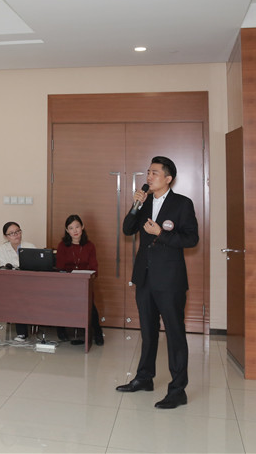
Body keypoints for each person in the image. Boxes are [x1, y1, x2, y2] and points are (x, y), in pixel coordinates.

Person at [116, 156, 199, 410]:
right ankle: (144, 378)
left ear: (168, 178)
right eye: (148, 172)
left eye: (154, 173)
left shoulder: (182, 204)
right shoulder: (144, 202)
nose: (149, 177)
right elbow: (127, 229)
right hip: (145, 277)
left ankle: (178, 390)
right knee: (147, 331)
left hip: (170, 279)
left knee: (174, 333)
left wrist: (160, 233)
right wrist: (135, 206)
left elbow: (191, 239)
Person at [55, 214, 104, 346]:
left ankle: (97, 332)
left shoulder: (90, 246)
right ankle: (61, 329)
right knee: (61, 301)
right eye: (71, 228)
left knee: (90, 306)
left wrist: (86, 277)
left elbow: (94, 268)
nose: (75, 231)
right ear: (67, 230)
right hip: (67, 283)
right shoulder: (62, 246)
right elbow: (60, 268)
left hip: (84, 283)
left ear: (82, 227)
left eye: (77, 227)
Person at [0, 221, 35, 341]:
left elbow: (34, 267)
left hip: (26, 284)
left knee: (19, 295)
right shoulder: (2, 248)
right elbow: (5, 266)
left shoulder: (30, 247)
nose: (16, 235)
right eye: (12, 233)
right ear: (6, 236)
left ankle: (21, 333)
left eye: (18, 231)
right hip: (8, 283)